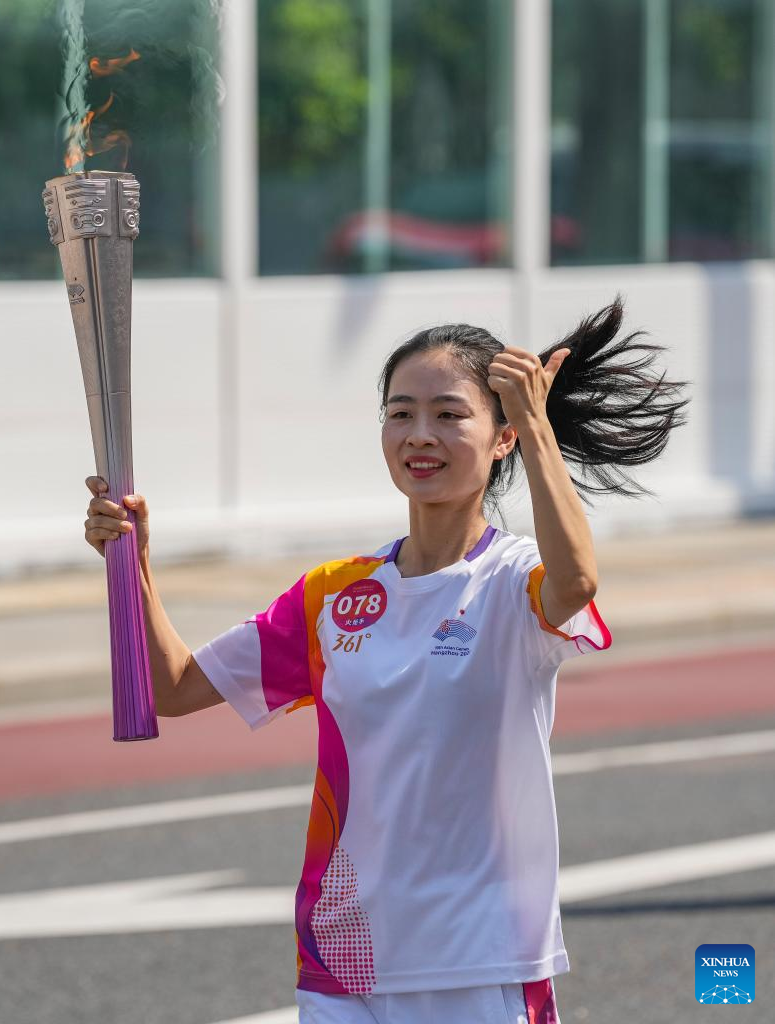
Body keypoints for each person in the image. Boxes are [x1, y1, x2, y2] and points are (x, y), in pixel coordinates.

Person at [84, 293, 690, 1023]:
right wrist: (133, 563)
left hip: (479, 960)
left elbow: (578, 582)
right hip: (345, 960)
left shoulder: (512, 584)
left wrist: (535, 423)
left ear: (501, 439)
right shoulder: (333, 596)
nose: (420, 435)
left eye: (449, 414)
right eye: (400, 413)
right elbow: (174, 688)